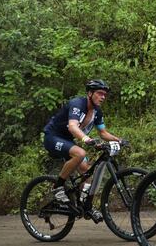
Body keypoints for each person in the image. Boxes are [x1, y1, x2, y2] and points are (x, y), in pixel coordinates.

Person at [43, 79, 121, 223]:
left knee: (87, 173)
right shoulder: (77, 104)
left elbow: (103, 133)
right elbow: (72, 126)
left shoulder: (97, 111)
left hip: (67, 141)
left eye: (105, 94)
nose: (103, 97)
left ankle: (84, 205)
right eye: (100, 93)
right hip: (53, 137)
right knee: (80, 153)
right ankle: (57, 187)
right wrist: (87, 139)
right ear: (90, 93)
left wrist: (119, 140)